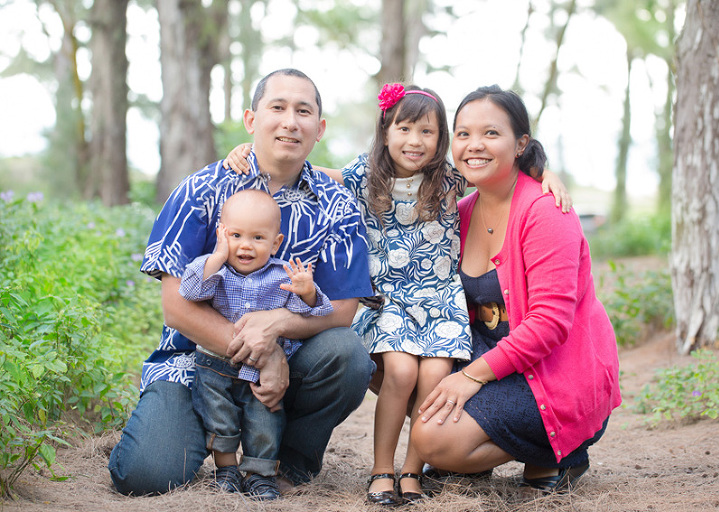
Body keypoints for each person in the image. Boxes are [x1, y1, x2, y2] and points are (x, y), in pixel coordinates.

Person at [224, 83, 573, 504]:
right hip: (389, 300)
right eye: (404, 129)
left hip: (441, 301)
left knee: (433, 374)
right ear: (386, 132)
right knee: (402, 373)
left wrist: (543, 172)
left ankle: (413, 469)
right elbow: (309, 173)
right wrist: (247, 152)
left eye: (427, 132)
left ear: (441, 138)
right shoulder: (364, 176)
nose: (415, 141)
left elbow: (499, 168)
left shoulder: (449, 178)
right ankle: (381, 469)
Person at [108, 68, 375, 496]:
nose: (290, 121)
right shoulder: (202, 189)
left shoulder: (337, 205)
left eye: (303, 111)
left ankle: (287, 458)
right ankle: (191, 432)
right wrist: (261, 357)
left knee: (349, 357)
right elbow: (176, 306)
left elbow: (343, 309)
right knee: (143, 475)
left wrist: (276, 327)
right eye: (278, 107)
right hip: (196, 364)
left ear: (319, 128)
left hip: (289, 375)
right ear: (252, 120)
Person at [410, 85, 621, 494]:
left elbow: (548, 324)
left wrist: (469, 377)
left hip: (552, 373)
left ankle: (559, 451)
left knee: (432, 439)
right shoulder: (459, 212)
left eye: (491, 133)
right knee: (393, 365)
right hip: (492, 360)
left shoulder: (545, 211)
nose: (474, 145)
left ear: (521, 143)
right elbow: (375, 178)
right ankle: (475, 454)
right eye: (464, 134)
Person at [179, 189, 334, 499]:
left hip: (261, 370)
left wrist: (307, 292)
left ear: (275, 242)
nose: (246, 245)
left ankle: (259, 474)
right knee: (218, 418)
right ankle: (226, 471)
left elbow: (316, 311)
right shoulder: (214, 268)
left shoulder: (282, 275)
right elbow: (191, 291)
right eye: (236, 235)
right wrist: (218, 255)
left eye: (258, 238)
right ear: (222, 234)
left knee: (264, 418)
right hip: (215, 364)